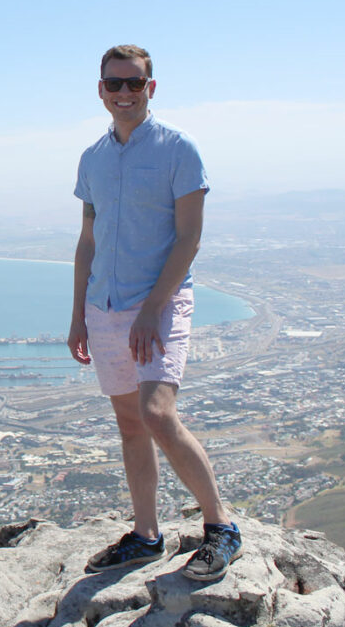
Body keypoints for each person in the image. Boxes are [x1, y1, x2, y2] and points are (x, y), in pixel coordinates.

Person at [69, 44, 242, 581]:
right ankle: (146, 536)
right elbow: (87, 241)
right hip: (105, 307)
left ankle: (222, 528)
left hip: (160, 302)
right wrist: (79, 315)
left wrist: (152, 309)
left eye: (134, 83)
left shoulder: (178, 149)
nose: (124, 93)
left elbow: (189, 239)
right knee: (129, 424)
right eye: (114, 84)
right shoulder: (93, 158)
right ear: (100, 90)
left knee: (157, 413)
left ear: (151, 88)